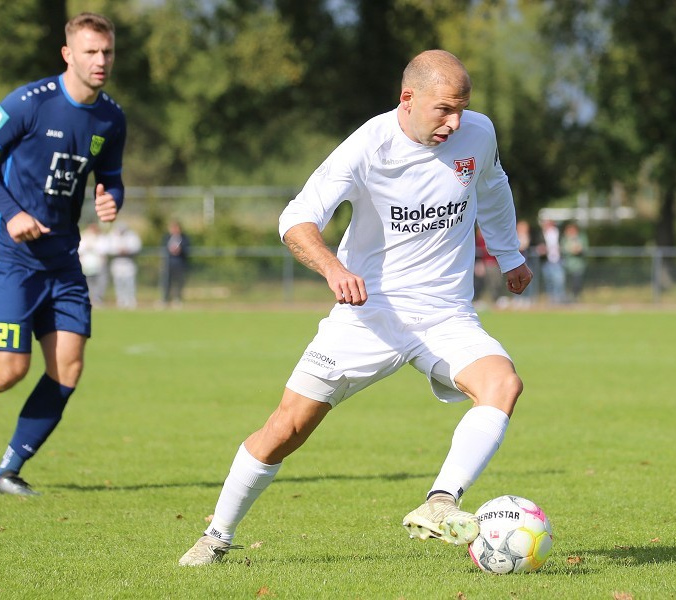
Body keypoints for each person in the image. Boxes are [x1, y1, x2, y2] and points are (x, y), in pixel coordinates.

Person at [179, 49, 533, 566]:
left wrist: (509, 254)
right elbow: (295, 219)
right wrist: (334, 270)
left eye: (461, 108)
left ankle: (441, 502)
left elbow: (493, 187)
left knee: (503, 384)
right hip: (369, 315)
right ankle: (216, 535)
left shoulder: (478, 134)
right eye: (443, 110)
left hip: (444, 314)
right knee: (286, 428)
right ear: (407, 99)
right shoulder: (368, 147)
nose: (454, 123)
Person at [0, 12, 127, 496]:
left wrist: (112, 195)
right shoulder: (30, 103)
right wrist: (11, 212)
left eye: (108, 52)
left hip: (63, 260)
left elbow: (110, 176)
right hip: (10, 258)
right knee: (8, 371)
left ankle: (5, 472)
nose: (101, 61)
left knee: (68, 366)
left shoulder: (112, 117)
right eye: (91, 52)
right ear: (67, 55)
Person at [106, 222, 143, 309]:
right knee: (119, 282)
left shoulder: (132, 235)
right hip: (117, 261)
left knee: (129, 282)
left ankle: (130, 300)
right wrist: (117, 250)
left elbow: (137, 246)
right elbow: (108, 248)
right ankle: (120, 300)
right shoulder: (112, 235)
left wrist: (127, 250)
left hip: (128, 261)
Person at [161, 219, 190, 308]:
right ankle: (165, 299)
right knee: (167, 282)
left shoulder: (184, 238)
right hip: (168, 263)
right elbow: (163, 248)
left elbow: (187, 249)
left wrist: (180, 250)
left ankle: (178, 299)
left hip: (179, 263)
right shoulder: (167, 238)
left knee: (179, 282)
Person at [537, 218, 565, 304]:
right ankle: (551, 299)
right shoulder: (541, 233)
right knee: (548, 280)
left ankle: (558, 299)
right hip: (546, 260)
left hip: (557, 260)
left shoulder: (558, 232)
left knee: (559, 280)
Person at [79, 222, 108, 306]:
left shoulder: (101, 237)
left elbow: (103, 250)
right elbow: (80, 249)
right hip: (86, 265)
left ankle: (98, 299)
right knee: (88, 283)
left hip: (99, 265)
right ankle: (89, 299)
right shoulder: (83, 236)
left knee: (100, 283)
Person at [561, 222, 588, 302]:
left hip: (578, 266)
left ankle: (576, 298)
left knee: (577, 284)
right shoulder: (565, 239)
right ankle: (567, 299)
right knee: (567, 284)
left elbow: (584, 249)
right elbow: (563, 249)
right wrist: (571, 250)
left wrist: (578, 250)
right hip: (567, 266)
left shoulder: (581, 237)